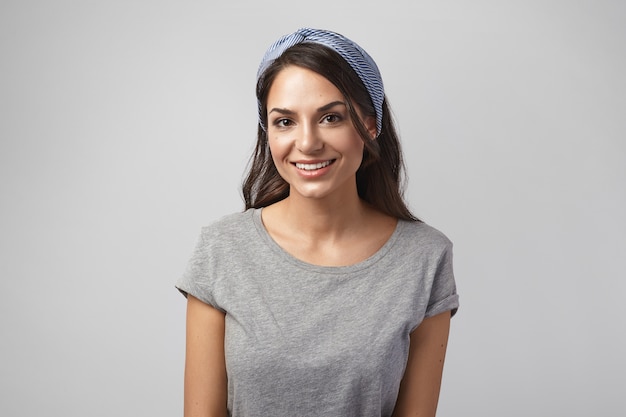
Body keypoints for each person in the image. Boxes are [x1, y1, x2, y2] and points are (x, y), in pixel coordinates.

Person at [176, 27, 459, 417]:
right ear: (268, 132)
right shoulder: (222, 249)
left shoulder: (425, 257)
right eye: (285, 122)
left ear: (370, 124)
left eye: (330, 117)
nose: (307, 143)